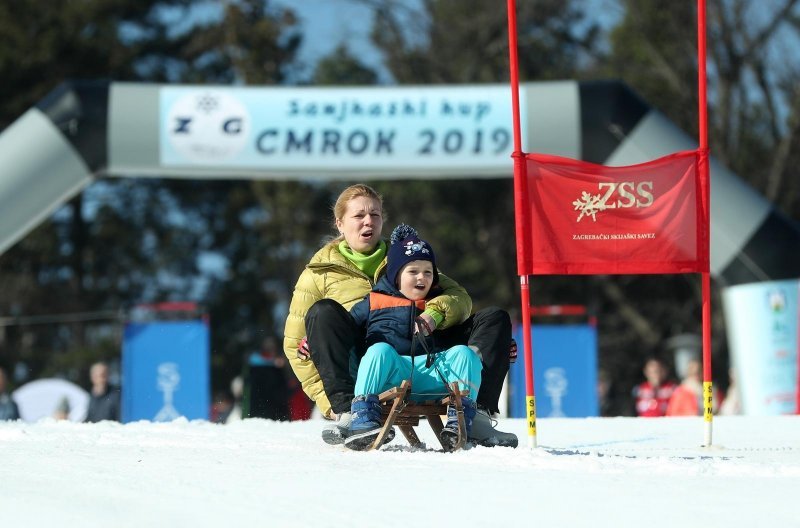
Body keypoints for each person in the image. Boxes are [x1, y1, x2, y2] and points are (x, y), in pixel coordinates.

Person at [283, 184, 517, 447]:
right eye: (359, 215)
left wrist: (436, 314)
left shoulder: (406, 256)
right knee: (322, 312)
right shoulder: (318, 273)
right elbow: (295, 346)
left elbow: (460, 299)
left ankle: (477, 415)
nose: (368, 221)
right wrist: (329, 401)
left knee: (494, 319)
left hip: (428, 351)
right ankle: (350, 411)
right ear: (339, 223)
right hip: (368, 363)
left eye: (375, 214)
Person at [343, 225, 483, 450]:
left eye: (428, 272)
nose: (421, 278)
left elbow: (465, 319)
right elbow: (344, 326)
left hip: (434, 373)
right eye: (413, 271)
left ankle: (460, 417)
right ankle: (363, 417)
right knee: (379, 350)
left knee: (464, 354)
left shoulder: (441, 301)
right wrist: (316, 340)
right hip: (392, 374)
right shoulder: (375, 300)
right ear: (396, 275)